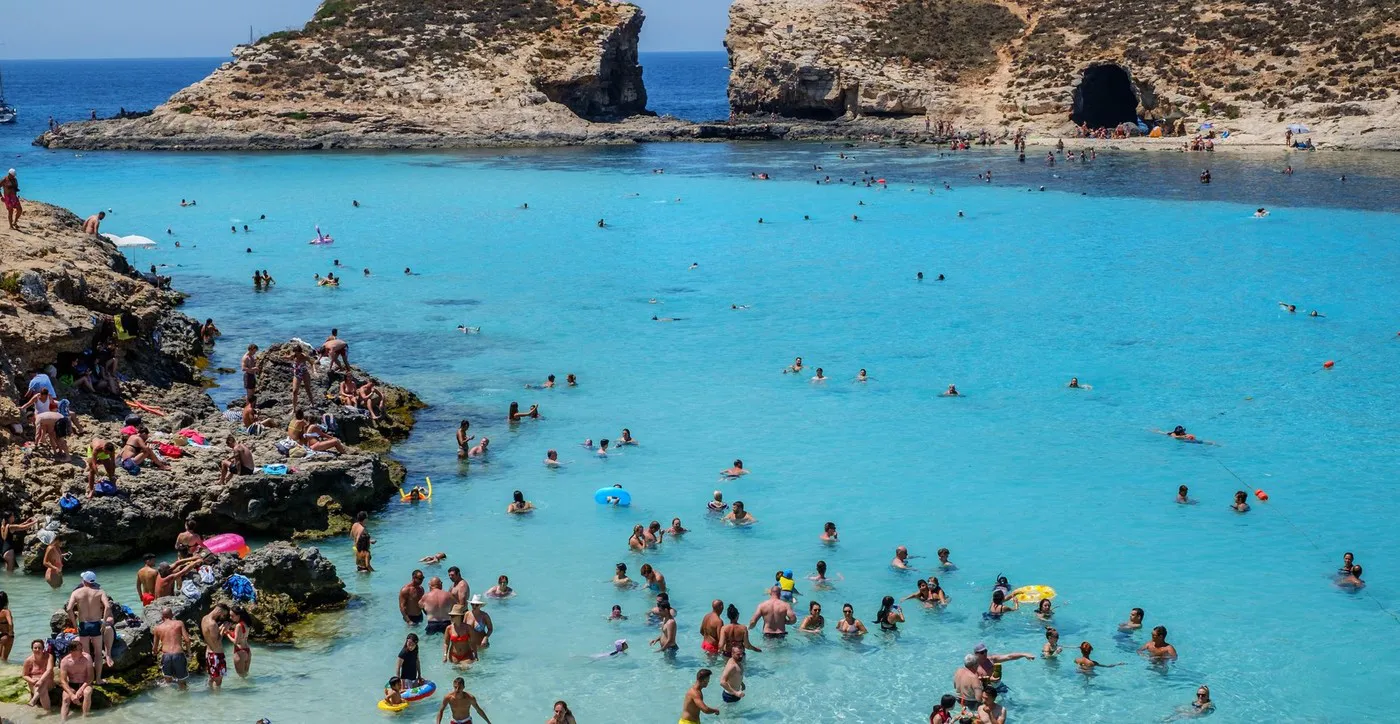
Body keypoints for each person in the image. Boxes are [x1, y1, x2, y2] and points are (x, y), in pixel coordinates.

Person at [66, 572, 110, 684]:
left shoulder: (76, 592)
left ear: (84, 581)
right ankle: (99, 679)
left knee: (86, 654)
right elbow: (108, 606)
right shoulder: (100, 592)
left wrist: (75, 625)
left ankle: (88, 680)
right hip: (96, 624)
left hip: (83, 624)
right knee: (98, 653)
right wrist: (104, 622)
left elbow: (69, 609)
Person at [153, 606, 190, 689]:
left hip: (166, 656)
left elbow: (154, 648)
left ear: (162, 617)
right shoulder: (179, 623)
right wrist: (189, 653)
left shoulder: (157, 628)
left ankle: (170, 699)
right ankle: (184, 699)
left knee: (168, 681)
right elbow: (187, 640)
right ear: (172, 615)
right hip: (178, 654)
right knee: (182, 682)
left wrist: (155, 653)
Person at [59, 644, 94, 719]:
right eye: (79, 649)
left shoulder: (87, 658)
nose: (82, 651)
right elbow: (63, 681)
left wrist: (81, 689)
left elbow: (91, 677)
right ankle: (63, 721)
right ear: (72, 651)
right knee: (65, 698)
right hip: (72, 684)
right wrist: (71, 695)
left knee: (87, 693)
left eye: (82, 649)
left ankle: (85, 718)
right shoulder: (65, 661)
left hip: (85, 683)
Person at [201, 603, 230, 688]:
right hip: (216, 655)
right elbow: (217, 642)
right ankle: (217, 699)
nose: (223, 617)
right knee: (218, 681)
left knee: (212, 677)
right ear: (219, 611)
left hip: (209, 653)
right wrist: (223, 630)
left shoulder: (204, 618)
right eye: (223, 614)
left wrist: (220, 628)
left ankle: (210, 696)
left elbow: (210, 636)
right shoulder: (213, 624)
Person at [21, 639, 54, 711]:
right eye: (35, 648)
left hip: (48, 682)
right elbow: (24, 675)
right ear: (32, 649)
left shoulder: (49, 656)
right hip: (34, 683)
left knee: (44, 682)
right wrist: (32, 681)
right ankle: (48, 713)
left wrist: (41, 680)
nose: (37, 649)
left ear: (43, 649)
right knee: (43, 692)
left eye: (39, 648)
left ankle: (34, 700)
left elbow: (49, 670)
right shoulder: (28, 661)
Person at [0, 592, 14, 662]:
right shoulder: (6, 611)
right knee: (4, 659)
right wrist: (10, 633)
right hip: (7, 636)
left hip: (1, 635)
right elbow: (10, 623)